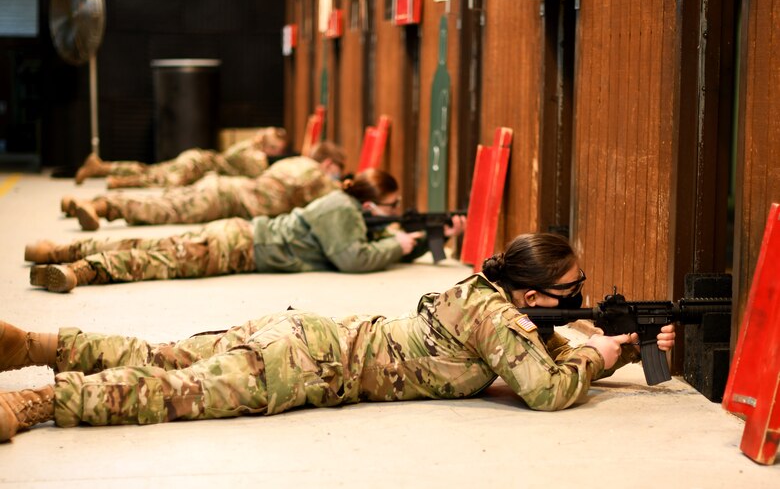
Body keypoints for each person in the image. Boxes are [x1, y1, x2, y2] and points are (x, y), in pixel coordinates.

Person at [1, 232, 674, 441]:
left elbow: (523, 349)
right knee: (168, 391)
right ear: (532, 294)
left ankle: (36, 343)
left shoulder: (479, 292)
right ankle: (37, 401)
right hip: (304, 368)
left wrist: (576, 330)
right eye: (572, 291)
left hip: (303, 333)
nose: (580, 300)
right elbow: (548, 389)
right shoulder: (497, 320)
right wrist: (603, 350)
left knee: (165, 353)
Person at [25, 169, 463, 293]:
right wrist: (399, 242)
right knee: (160, 259)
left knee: (156, 246)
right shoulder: (340, 209)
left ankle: (61, 251)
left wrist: (420, 241)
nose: (394, 214)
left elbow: (369, 245)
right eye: (389, 209)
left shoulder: (349, 211)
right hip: (244, 245)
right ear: (370, 205)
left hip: (243, 236)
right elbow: (353, 258)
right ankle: (78, 268)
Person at [52, 141, 346, 232]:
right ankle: (99, 206)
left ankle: (82, 203)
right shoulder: (316, 178)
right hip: (225, 199)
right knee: (164, 207)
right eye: (338, 172)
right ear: (329, 165)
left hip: (221, 187)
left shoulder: (293, 162)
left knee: (167, 196)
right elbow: (338, 203)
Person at [74, 127, 288, 187]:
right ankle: (119, 180)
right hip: (198, 165)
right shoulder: (254, 155)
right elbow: (258, 178)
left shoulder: (248, 146)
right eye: (276, 148)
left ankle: (102, 167)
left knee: (152, 170)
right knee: (161, 179)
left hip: (197, 160)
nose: (277, 153)